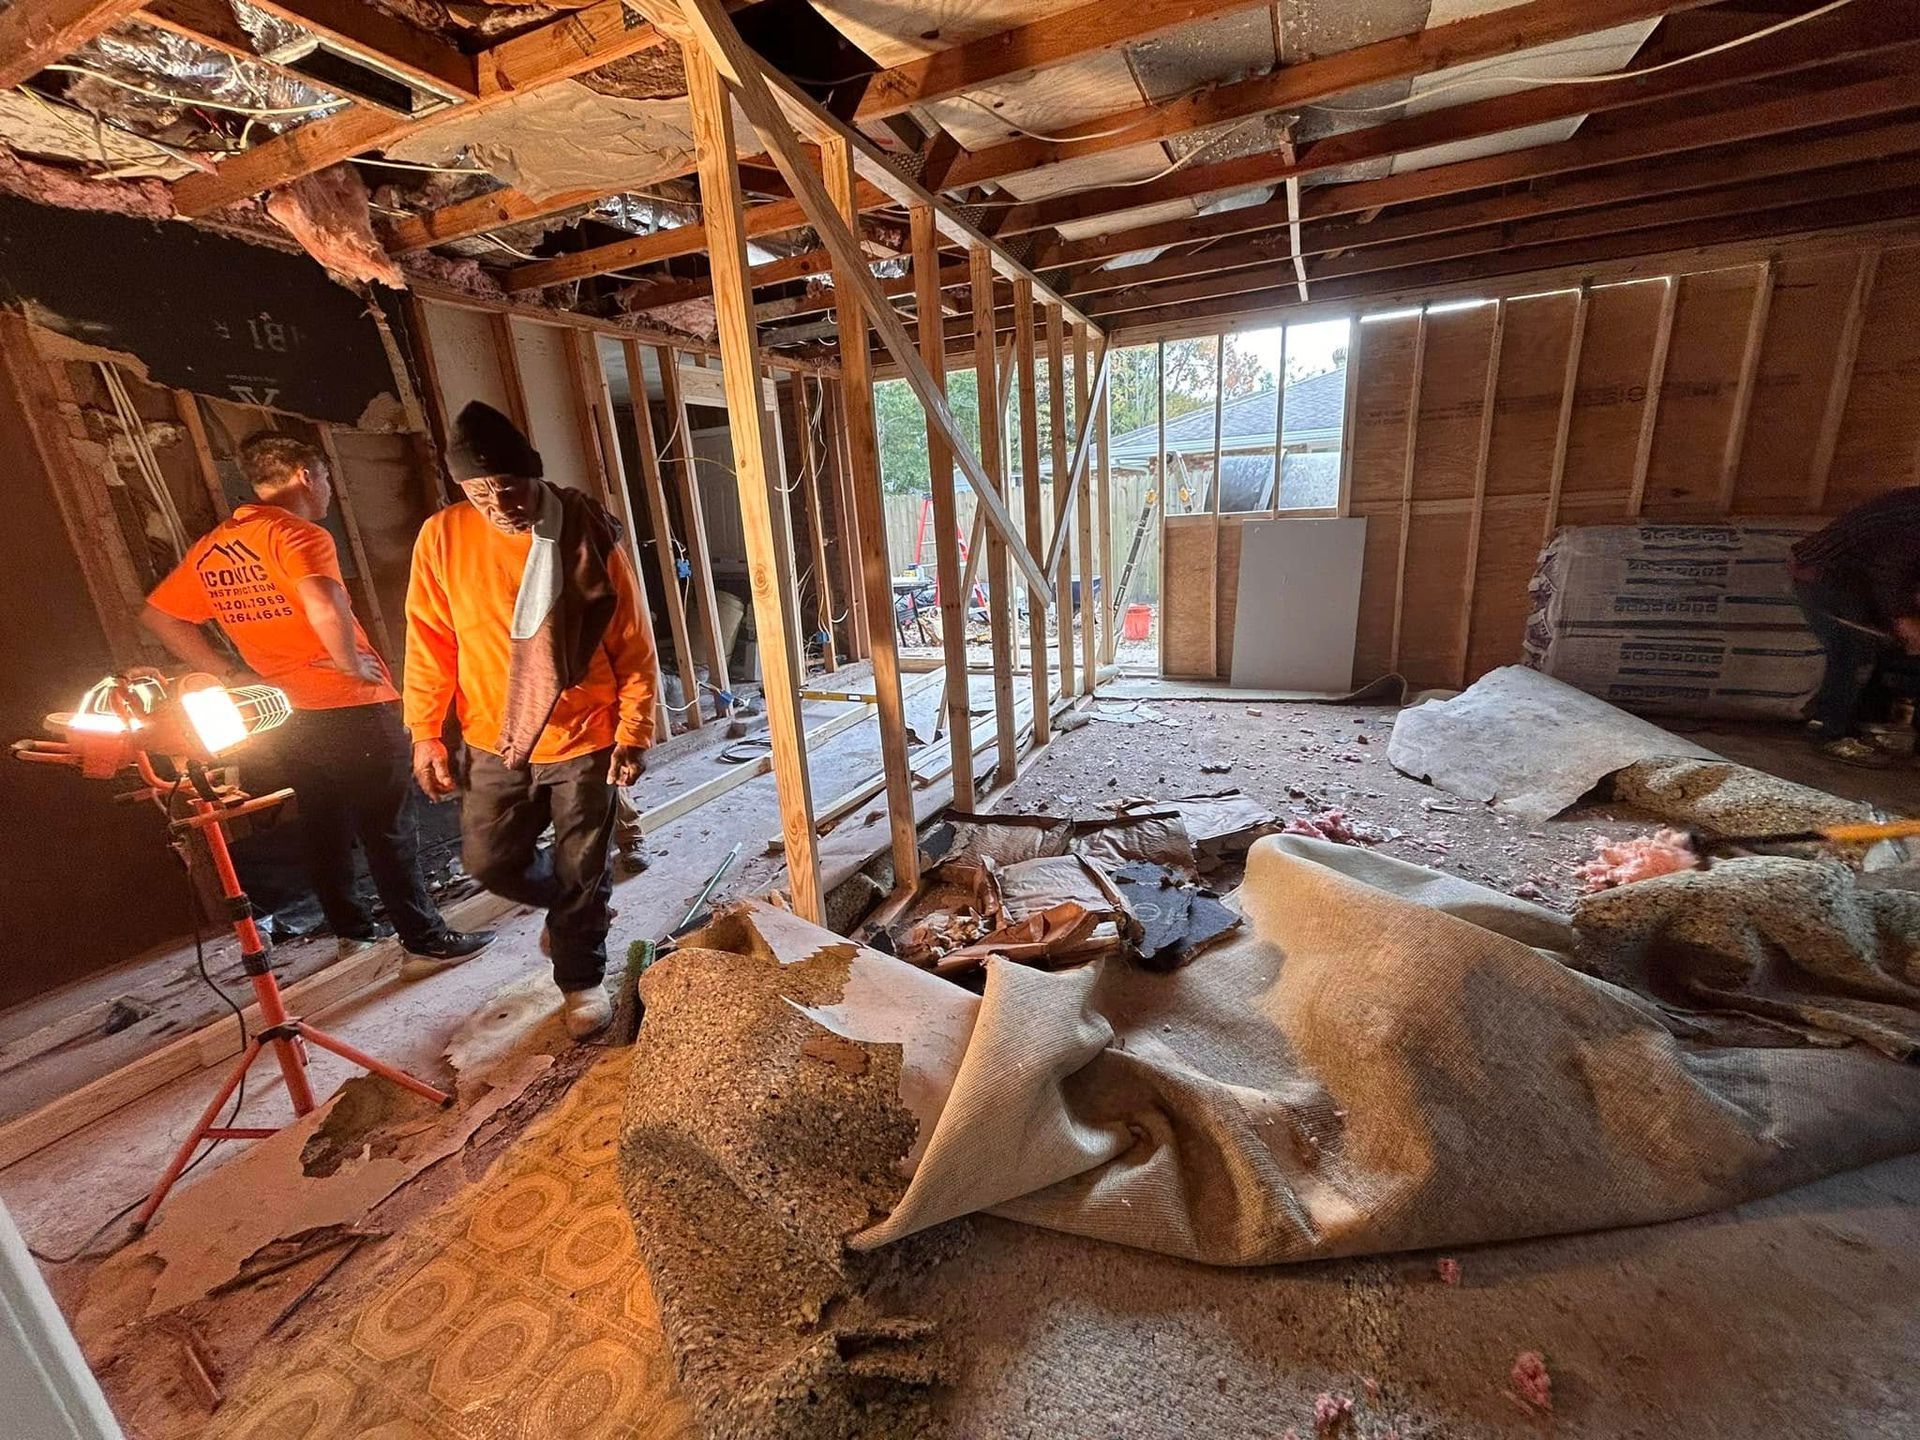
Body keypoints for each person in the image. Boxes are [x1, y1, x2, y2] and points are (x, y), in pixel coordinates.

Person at [142, 434, 495, 971]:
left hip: (287, 713)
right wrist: (348, 662)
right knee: (388, 827)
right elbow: (322, 600)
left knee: (323, 823)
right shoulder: (297, 534)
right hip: (350, 705)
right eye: (327, 477)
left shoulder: (215, 547)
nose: (329, 488)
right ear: (306, 476)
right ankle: (424, 941)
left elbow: (161, 617)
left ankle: (352, 932)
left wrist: (230, 672)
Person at [404, 401, 657, 1038]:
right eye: (479, 491)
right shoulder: (442, 537)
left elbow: (632, 641)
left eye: (510, 486)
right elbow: (429, 640)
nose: (498, 504)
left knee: (583, 866)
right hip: (494, 736)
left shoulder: (583, 532)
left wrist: (634, 731)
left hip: (585, 733)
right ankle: (575, 914)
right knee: (490, 861)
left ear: (533, 475)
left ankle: (580, 978)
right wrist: (426, 732)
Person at [1789, 486, 1920, 766]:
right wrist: (1904, 619)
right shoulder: (1915, 515)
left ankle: (1857, 725)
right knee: (1853, 651)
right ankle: (1830, 733)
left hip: (1858, 579)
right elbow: (1889, 569)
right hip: (1827, 574)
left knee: (1877, 647)